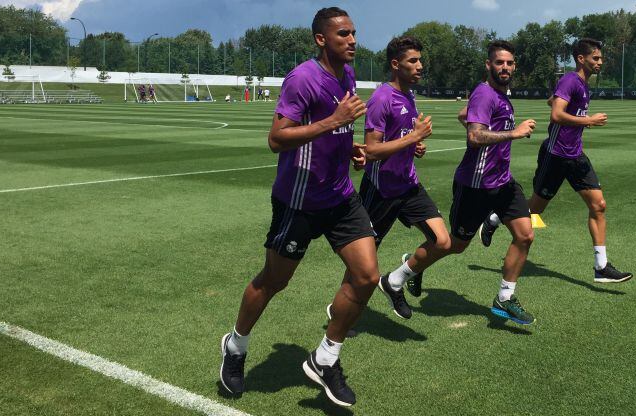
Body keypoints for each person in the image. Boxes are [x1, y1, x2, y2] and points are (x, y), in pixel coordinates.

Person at [219, 7, 377, 408]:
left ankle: (326, 358)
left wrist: (351, 147)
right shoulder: (302, 78)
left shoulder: (347, 73)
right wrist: (333, 121)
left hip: (340, 196)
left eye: (354, 33)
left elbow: (337, 129)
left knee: (367, 276)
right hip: (299, 202)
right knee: (273, 282)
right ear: (321, 39)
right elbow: (277, 138)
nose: (352, 40)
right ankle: (235, 347)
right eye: (343, 34)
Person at [387, 40, 538, 325]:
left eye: (509, 63)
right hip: (475, 186)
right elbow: (475, 137)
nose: (505, 67)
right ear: (488, 65)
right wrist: (515, 134)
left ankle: (505, 298)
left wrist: (469, 117)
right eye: (499, 62)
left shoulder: (500, 95)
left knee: (525, 235)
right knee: (454, 245)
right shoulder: (485, 93)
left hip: (503, 183)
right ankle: (407, 271)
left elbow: (465, 116)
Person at [481, 38, 632, 283]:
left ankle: (601, 266)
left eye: (601, 58)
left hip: (575, 156)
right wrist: (589, 120)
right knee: (535, 211)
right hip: (556, 155)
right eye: (596, 58)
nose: (600, 62)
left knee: (599, 205)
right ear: (581, 59)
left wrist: (559, 101)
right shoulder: (571, 79)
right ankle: (495, 218)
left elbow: (555, 102)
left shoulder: (581, 84)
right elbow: (557, 114)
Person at [343, 36, 447, 321]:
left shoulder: (409, 96)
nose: (420, 66)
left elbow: (399, 139)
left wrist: (415, 146)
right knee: (361, 260)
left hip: (408, 184)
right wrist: (413, 137)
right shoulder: (381, 98)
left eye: (419, 60)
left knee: (442, 242)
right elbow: (372, 150)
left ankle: (394, 281)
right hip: (381, 189)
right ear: (395, 65)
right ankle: (341, 312)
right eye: (413, 61)